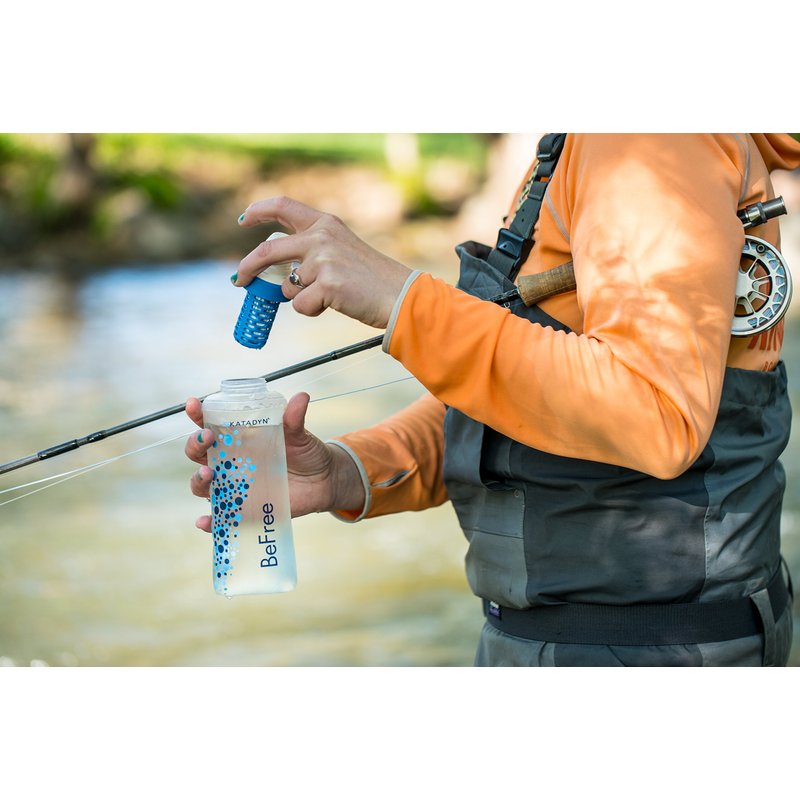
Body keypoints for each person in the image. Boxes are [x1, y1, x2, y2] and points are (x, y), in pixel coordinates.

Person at [185, 133, 800, 666]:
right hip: (583, 639)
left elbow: (653, 412)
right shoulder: (588, 145)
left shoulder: (643, 140)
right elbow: (532, 399)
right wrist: (349, 471)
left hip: (641, 648)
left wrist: (402, 299)